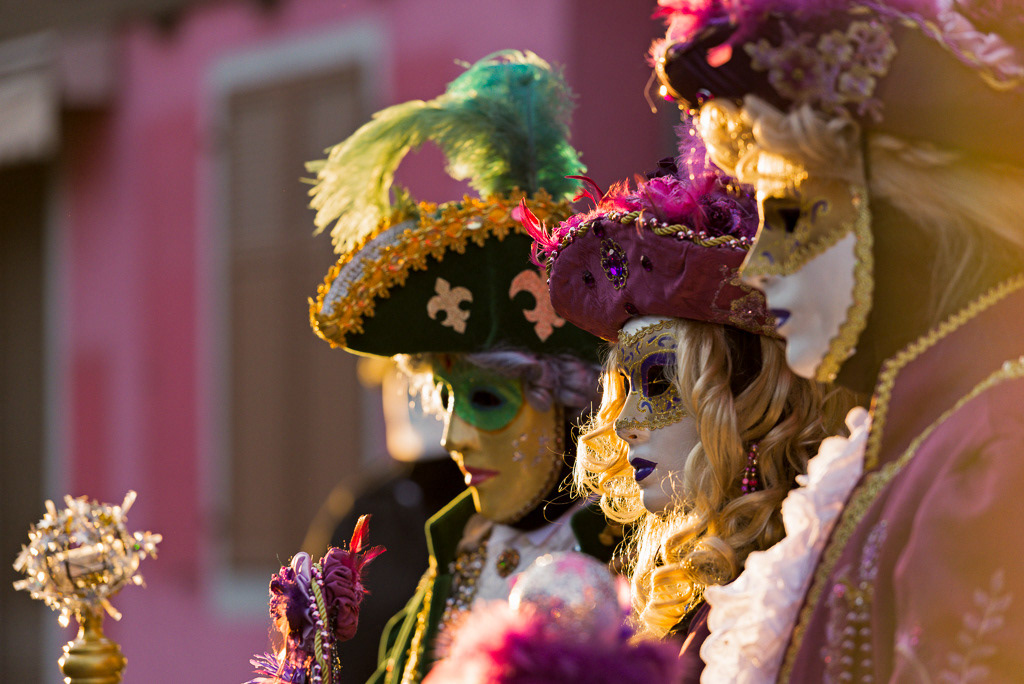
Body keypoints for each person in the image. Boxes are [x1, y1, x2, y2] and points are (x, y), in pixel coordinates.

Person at [652, 1, 1024, 680]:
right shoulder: (908, 443)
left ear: (909, 213)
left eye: (788, 217)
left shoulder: (999, 452)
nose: (756, 269)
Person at [306, 51, 618, 684]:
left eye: (487, 400)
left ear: (572, 408)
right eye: (447, 399)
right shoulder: (457, 552)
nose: (453, 437)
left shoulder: (631, 560)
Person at [525, 130, 850, 680]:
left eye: (660, 382)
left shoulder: (804, 589)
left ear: (748, 392)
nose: (623, 425)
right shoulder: (703, 597)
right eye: (624, 389)